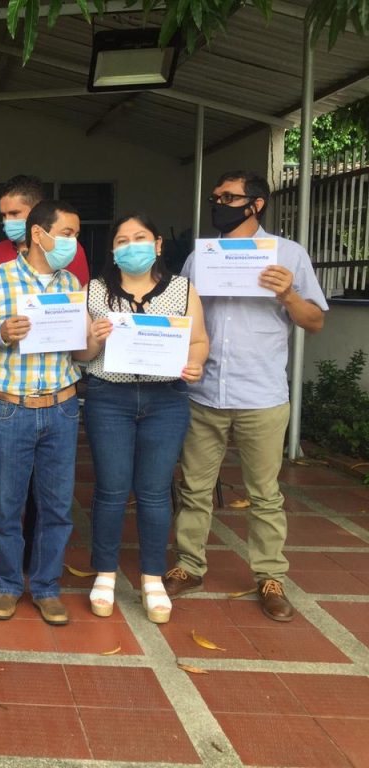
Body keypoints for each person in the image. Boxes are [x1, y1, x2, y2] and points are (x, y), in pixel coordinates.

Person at [165, 170, 328, 622]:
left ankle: (269, 576)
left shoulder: (289, 255)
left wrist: (287, 293)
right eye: (216, 196)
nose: (218, 203)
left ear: (256, 204)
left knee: (265, 494)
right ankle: (189, 565)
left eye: (229, 197)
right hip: (203, 392)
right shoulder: (200, 258)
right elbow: (181, 317)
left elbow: (314, 321)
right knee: (194, 488)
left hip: (262, 394)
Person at [73, 214, 209, 624]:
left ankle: (152, 577)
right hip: (108, 398)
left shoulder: (183, 289)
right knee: (111, 489)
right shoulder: (94, 290)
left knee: (154, 491)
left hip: (165, 400)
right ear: (113, 250)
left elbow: (198, 340)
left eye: (140, 237)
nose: (132, 246)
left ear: (158, 245)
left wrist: (196, 363)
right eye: (122, 240)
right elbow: (81, 355)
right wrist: (94, 339)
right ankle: (105, 573)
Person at [0, 200, 85, 626]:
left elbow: (78, 348)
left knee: (57, 507)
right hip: (11, 409)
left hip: (62, 408)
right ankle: (8, 585)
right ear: (38, 234)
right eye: (66, 233)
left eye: (74, 235)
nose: (72, 242)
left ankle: (47, 588)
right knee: (7, 505)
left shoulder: (71, 284)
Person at [0, 175, 89, 466]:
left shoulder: (69, 262)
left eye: (14, 214)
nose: (7, 222)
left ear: (36, 215)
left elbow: (79, 309)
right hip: (8, 383)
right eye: (3, 215)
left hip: (57, 391)